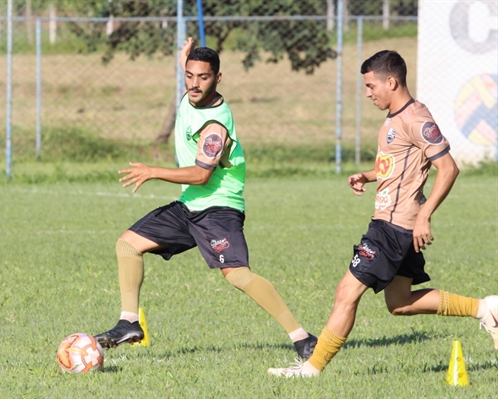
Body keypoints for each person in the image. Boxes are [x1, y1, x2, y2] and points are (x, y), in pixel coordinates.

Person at [267, 50, 498, 377]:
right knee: (400, 303)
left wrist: (424, 214)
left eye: (371, 85)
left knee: (346, 292)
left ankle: (311, 368)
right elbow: (399, 164)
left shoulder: (416, 118)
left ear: (392, 81)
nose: (368, 93)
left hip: (393, 228)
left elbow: (448, 168)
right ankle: (485, 308)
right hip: (392, 225)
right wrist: (368, 175)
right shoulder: (394, 116)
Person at [94, 37, 318, 360]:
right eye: (189, 75)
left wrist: (153, 171)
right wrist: (185, 56)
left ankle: (302, 338)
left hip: (218, 209)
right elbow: (189, 70)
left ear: (218, 78)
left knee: (238, 275)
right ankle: (129, 323)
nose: (194, 84)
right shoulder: (191, 90)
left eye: (203, 77)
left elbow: (201, 175)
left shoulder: (215, 125)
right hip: (191, 206)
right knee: (128, 245)